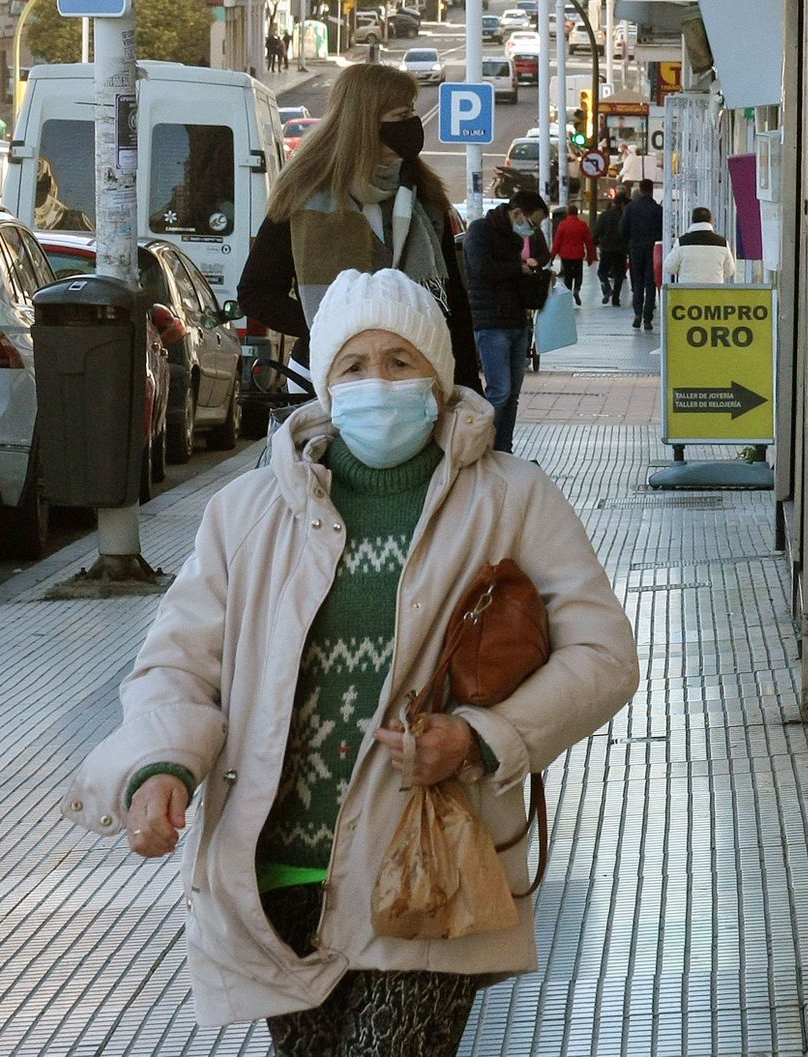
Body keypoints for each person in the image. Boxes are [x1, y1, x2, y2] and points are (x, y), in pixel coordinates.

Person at [63, 266, 639, 1056]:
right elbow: (178, 664)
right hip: (277, 886)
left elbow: (604, 655)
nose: (378, 382)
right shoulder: (249, 511)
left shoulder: (512, 498)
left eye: (399, 362)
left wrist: (479, 736)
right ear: (326, 383)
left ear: (437, 377)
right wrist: (159, 765)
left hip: (422, 873)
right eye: (354, 366)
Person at [237, 61, 480, 395]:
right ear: (365, 122)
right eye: (401, 115)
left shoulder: (424, 195)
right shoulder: (302, 198)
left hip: (417, 380)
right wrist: (332, 327)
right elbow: (256, 292)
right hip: (325, 381)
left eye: (411, 112)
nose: (412, 123)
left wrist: (468, 387)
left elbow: (453, 303)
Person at [463, 190, 551, 452]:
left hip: (517, 321)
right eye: (532, 224)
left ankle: (503, 450)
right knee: (499, 391)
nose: (531, 231)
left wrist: (536, 275)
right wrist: (519, 269)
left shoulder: (514, 237)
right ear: (517, 214)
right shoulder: (480, 230)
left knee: (512, 395)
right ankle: (480, 447)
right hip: (491, 323)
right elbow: (481, 269)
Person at [619, 177, 664, 330]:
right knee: (650, 283)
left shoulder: (631, 208)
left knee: (637, 282)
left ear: (640, 190)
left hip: (635, 249)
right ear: (651, 190)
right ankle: (648, 318)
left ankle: (637, 313)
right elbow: (664, 232)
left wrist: (630, 243)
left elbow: (623, 229)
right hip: (653, 250)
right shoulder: (658, 210)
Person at [663, 206, 736, 284]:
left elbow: (669, 267)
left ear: (692, 220)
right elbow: (730, 270)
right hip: (714, 292)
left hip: (687, 292)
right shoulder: (722, 243)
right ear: (710, 221)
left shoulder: (682, 242)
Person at [550, 206, 597, 305]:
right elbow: (589, 242)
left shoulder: (563, 225)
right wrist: (590, 256)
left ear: (567, 213)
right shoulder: (582, 225)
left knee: (568, 276)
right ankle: (577, 289)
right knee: (578, 274)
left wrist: (552, 257)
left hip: (566, 255)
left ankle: (568, 293)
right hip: (578, 254)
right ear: (577, 213)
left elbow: (557, 242)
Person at [33, 156, 93, 231]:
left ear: (49, 187)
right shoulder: (17, 217)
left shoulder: (76, 220)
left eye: (41, 188)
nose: (37, 194)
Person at [592, 189, 630, 305]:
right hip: (621, 249)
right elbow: (628, 232)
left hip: (606, 248)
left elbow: (597, 231)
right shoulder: (624, 216)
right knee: (619, 274)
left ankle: (607, 289)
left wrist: (594, 243)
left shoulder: (604, 215)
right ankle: (616, 299)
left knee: (602, 272)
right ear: (622, 204)